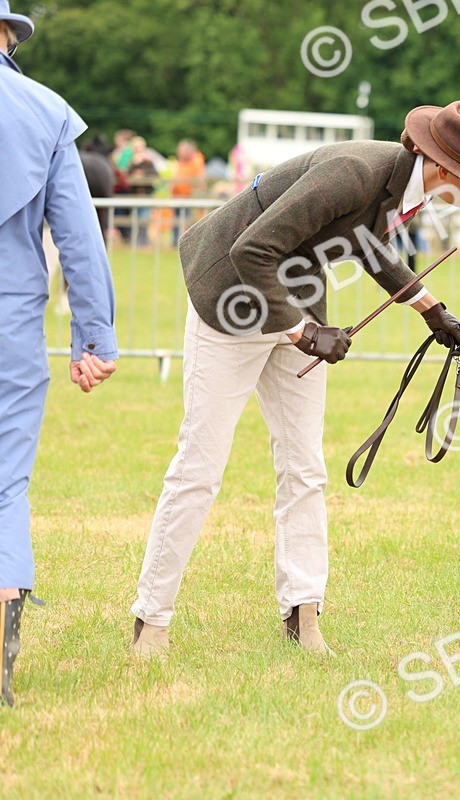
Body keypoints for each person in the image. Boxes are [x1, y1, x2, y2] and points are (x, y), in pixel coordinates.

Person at [129, 90, 460, 658]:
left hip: (296, 300)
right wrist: (304, 334)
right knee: (200, 466)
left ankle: (302, 614)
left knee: (304, 467)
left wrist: (430, 309)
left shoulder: (403, 182)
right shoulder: (353, 172)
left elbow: (369, 247)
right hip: (230, 296)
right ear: (442, 166)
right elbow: (252, 249)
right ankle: (152, 621)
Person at [0, 4, 120, 707]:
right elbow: (79, 238)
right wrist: (94, 339)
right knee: (3, 484)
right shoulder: (46, 112)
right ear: (9, 34)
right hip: (10, 327)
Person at [171, 139, 206, 241]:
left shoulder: (197, 161)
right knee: (177, 221)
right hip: (177, 196)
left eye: (181, 151)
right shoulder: (180, 162)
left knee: (188, 221)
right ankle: (175, 241)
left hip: (189, 198)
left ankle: (186, 242)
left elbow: (199, 181)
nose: (179, 153)